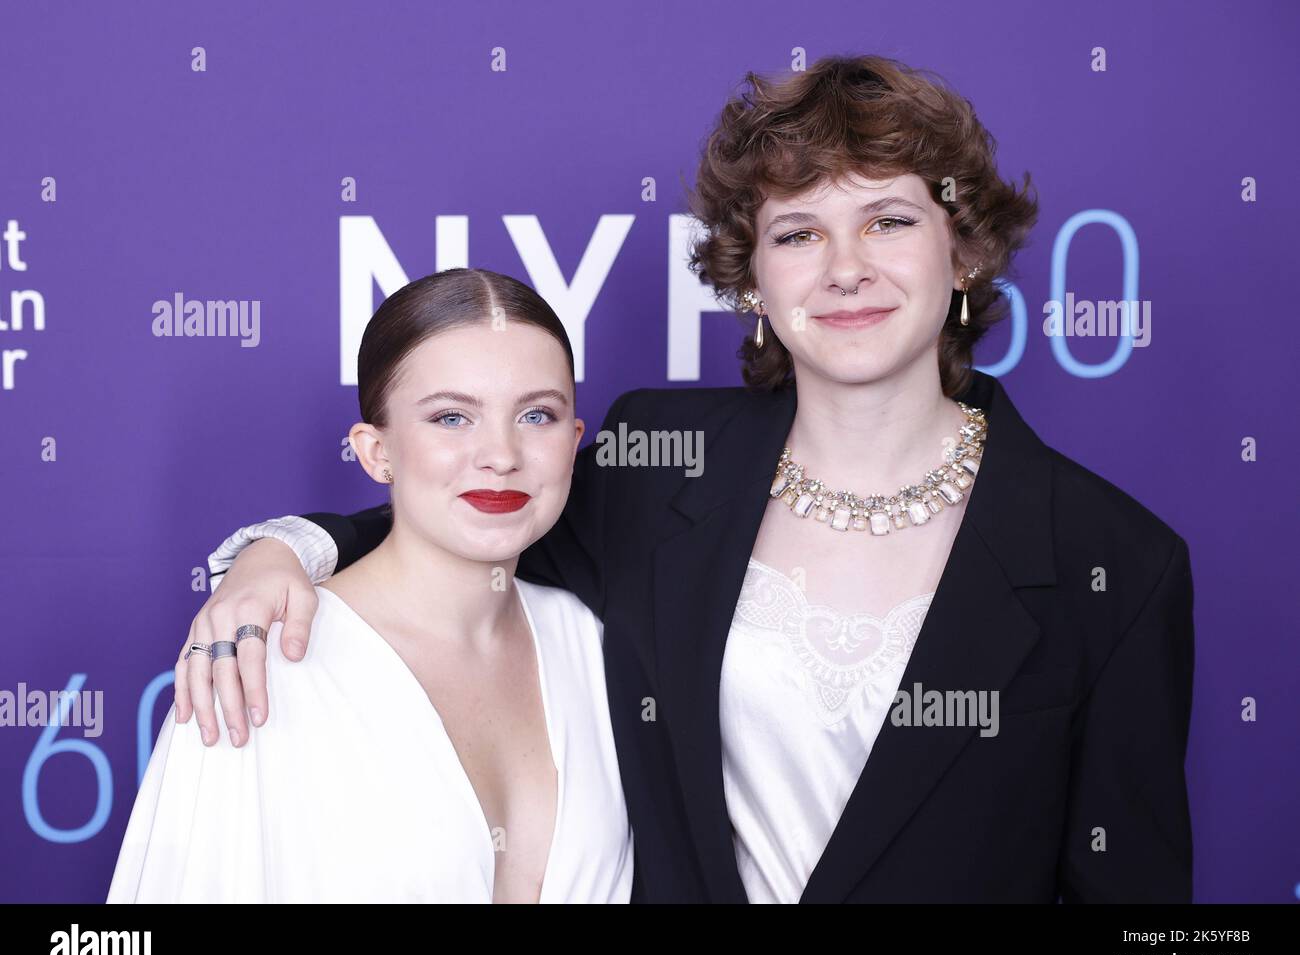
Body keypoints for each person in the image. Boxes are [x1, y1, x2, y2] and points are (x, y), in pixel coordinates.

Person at [170, 55, 1194, 903]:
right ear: (752, 278)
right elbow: (465, 518)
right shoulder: (661, 463)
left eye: (887, 221)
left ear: (963, 252)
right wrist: (281, 552)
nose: (844, 267)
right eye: (797, 233)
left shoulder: (1115, 561)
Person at [108, 268, 633, 903]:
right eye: (450, 417)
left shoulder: (600, 645)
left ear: (574, 443)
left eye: (537, 414)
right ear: (375, 451)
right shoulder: (257, 666)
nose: (500, 453)